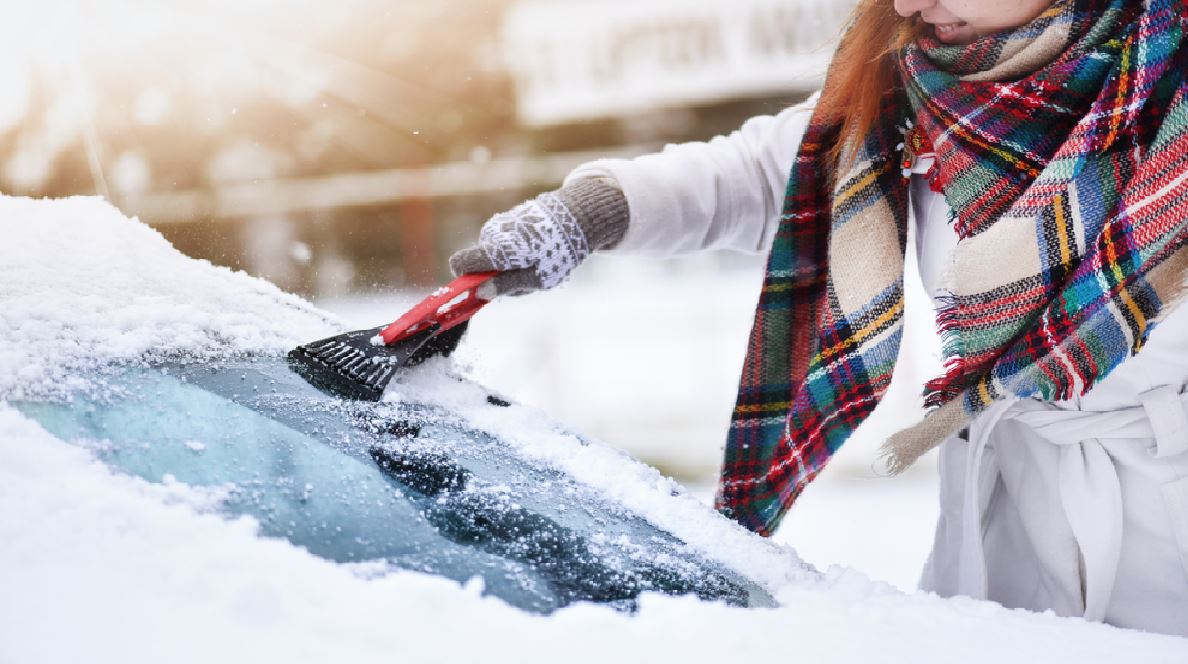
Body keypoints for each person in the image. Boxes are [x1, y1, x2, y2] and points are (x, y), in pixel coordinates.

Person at [450, 0, 1188, 637]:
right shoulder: (919, 93)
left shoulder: (1171, 96)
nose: (905, 5)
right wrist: (588, 213)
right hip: (1010, 538)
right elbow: (757, 171)